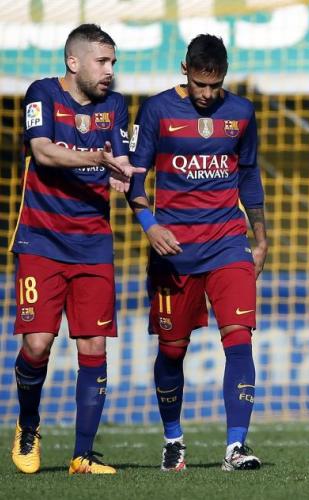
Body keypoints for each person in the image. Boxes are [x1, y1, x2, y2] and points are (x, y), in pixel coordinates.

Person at [127, 34, 268, 471]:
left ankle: (235, 447)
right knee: (172, 349)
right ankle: (173, 439)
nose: (207, 93)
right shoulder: (156, 110)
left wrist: (261, 237)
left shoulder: (241, 112)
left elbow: (249, 175)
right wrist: (150, 226)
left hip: (228, 243)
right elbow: (134, 180)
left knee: (239, 340)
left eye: (216, 84)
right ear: (184, 69)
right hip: (175, 251)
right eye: (200, 84)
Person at [10, 24, 143, 474]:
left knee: (93, 345)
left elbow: (120, 160)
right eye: (102, 61)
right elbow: (44, 152)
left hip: (93, 244)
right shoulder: (42, 94)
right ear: (73, 62)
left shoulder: (115, 105)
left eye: (113, 62)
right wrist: (97, 159)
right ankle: (29, 425)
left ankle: (82, 456)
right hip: (41, 239)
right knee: (37, 343)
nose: (109, 71)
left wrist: (126, 175)